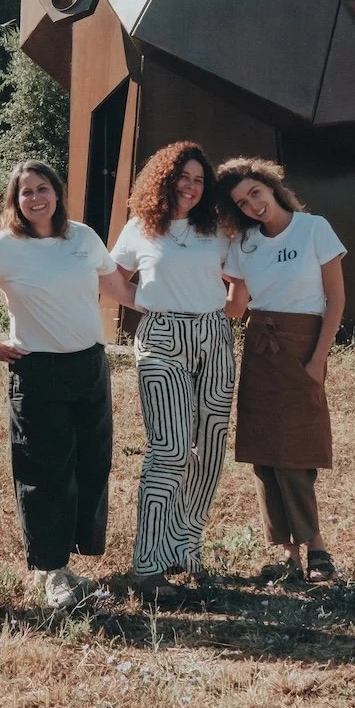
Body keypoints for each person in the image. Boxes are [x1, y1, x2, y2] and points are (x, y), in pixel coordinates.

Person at [0, 161, 138, 609]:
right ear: (15, 200)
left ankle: (70, 558)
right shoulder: (2, 246)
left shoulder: (82, 237)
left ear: (58, 193)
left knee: (91, 463)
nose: (36, 198)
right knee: (43, 470)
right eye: (26, 192)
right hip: (37, 371)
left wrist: (177, 304)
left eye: (43, 188)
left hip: (90, 366)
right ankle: (51, 570)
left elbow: (119, 288)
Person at [108, 141, 233, 605]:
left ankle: (185, 547)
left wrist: (223, 314)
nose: (191, 187)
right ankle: (148, 565)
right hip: (162, 339)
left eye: (199, 180)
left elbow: (239, 278)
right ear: (164, 178)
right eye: (183, 177)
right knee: (171, 449)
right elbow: (110, 275)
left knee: (210, 446)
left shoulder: (216, 228)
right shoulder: (141, 227)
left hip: (214, 336)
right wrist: (146, 304)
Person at [218, 157, 347, 583]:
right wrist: (180, 292)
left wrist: (317, 360)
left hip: (302, 344)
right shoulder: (244, 244)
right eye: (242, 202)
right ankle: (288, 555)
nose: (252, 205)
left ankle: (317, 547)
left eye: (255, 192)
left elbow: (335, 300)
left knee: (297, 448)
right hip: (260, 347)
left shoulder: (314, 229)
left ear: (272, 186)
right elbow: (237, 306)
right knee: (264, 452)